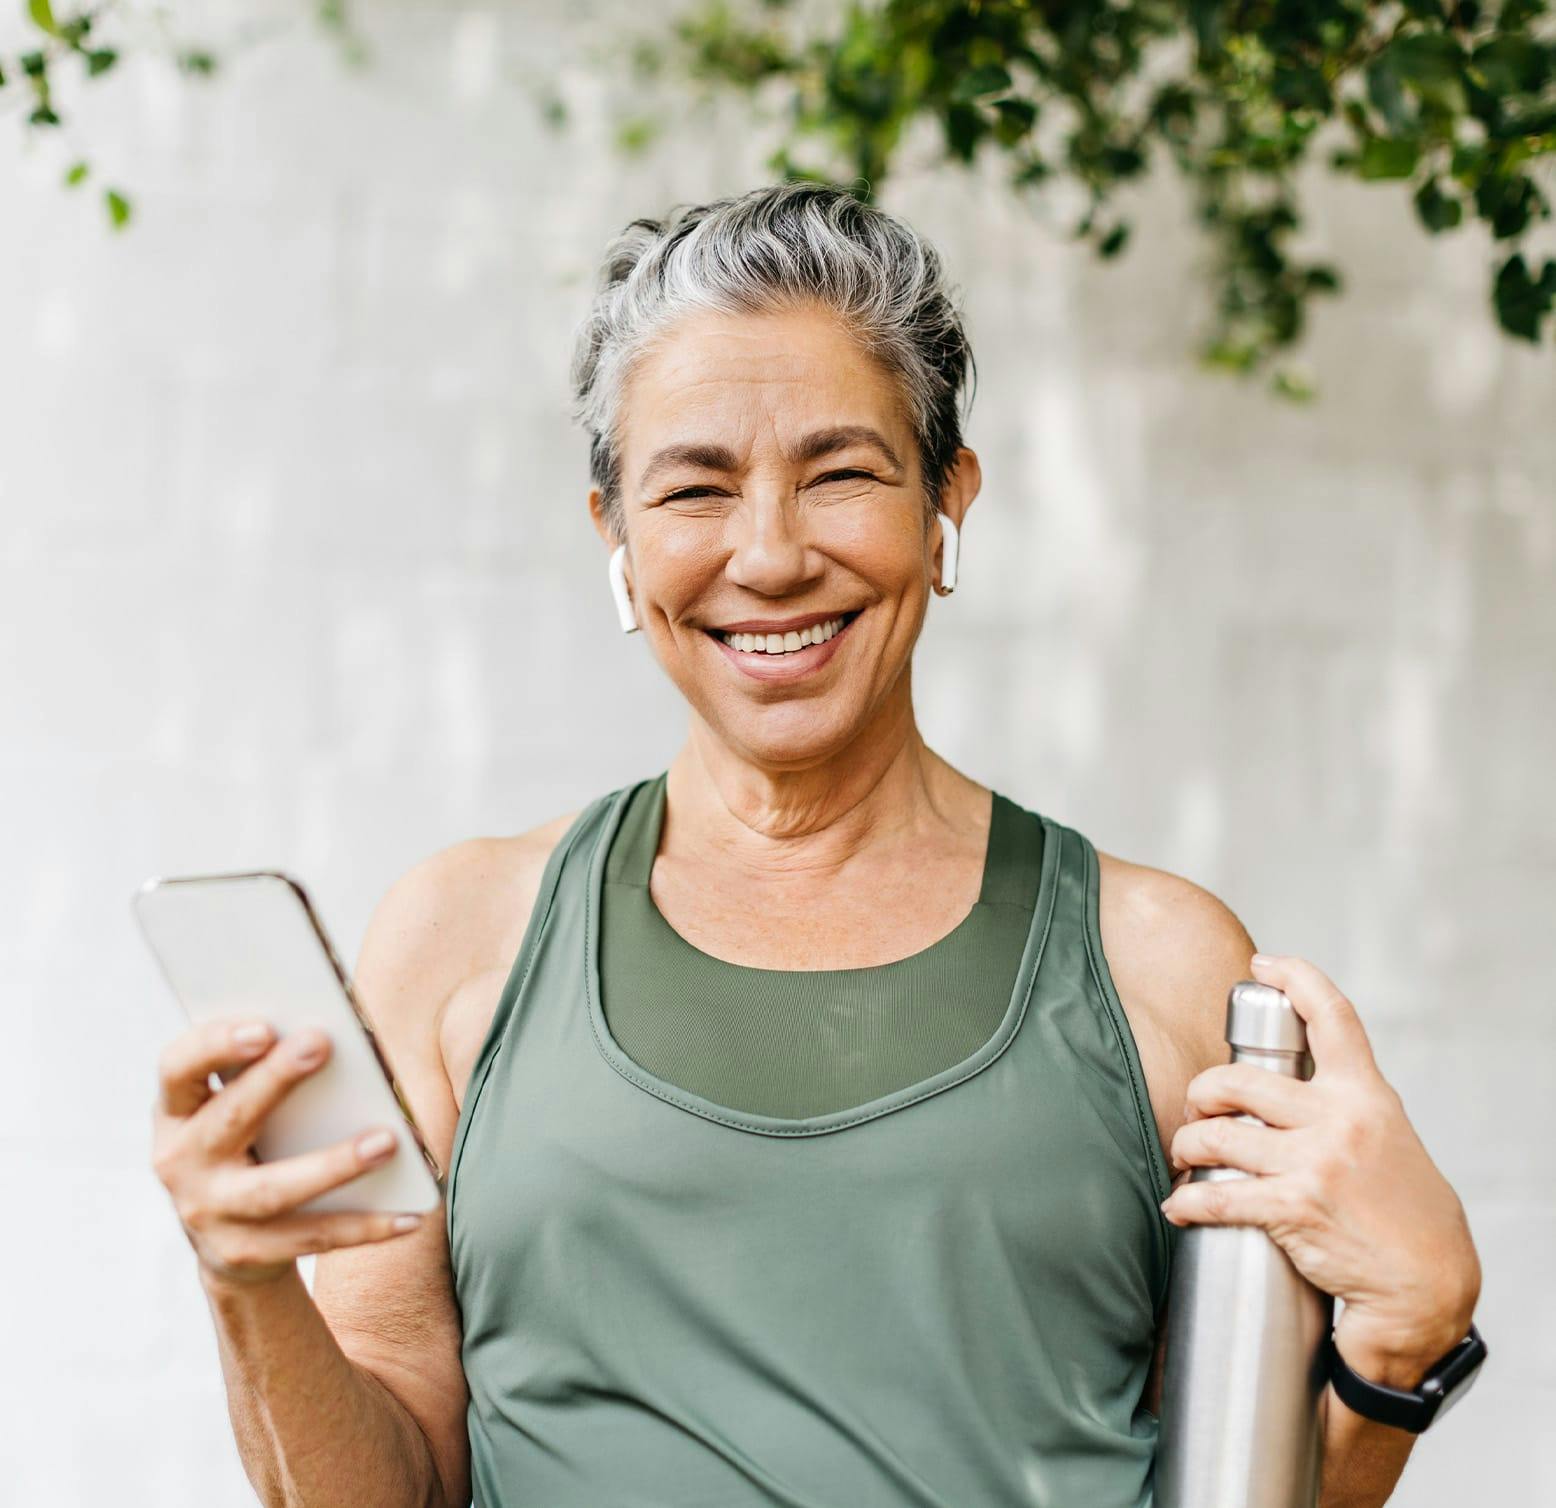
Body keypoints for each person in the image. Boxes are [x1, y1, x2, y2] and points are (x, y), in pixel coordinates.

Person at [151, 182, 1481, 1508]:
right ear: (614, 531)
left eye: (840, 473)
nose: (772, 555)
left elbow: (1240, 1496)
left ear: (944, 500)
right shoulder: (457, 943)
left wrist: (1402, 1340)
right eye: (696, 488)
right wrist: (247, 1280)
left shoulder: (1164, 962)